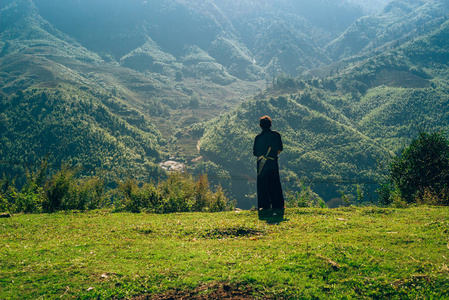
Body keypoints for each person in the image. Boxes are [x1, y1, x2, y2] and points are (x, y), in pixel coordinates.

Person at [253, 115, 284, 211]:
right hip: (273, 162)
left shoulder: (258, 137)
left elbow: (255, 153)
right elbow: (280, 149)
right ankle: (278, 205)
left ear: (260, 125)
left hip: (262, 164)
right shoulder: (276, 135)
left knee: (263, 184)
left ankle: (264, 205)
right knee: (275, 183)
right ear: (271, 124)